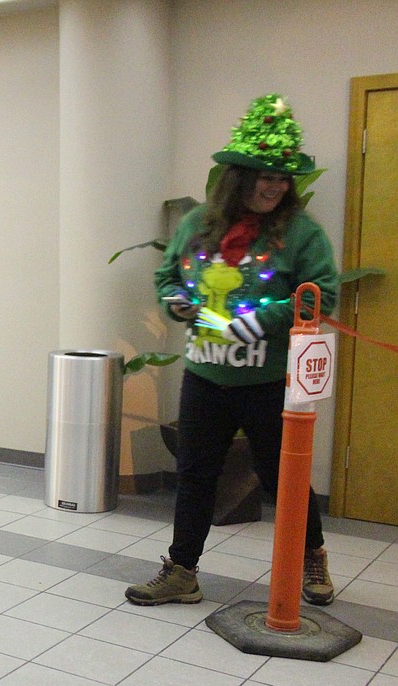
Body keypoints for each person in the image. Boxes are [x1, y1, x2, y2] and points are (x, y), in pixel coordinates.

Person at [126, 94, 338, 608]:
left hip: (265, 381)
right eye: (264, 174)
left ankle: (312, 557)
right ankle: (182, 572)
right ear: (237, 176)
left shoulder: (301, 233)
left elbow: (322, 294)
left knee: (283, 475)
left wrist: (258, 322)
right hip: (205, 376)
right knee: (195, 474)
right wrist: (175, 300)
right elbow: (166, 273)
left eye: (282, 178)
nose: (274, 185)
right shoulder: (198, 225)